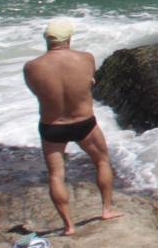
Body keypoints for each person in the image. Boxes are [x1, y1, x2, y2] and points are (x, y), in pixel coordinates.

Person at [22, 20, 122, 236]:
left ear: (46, 39)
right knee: (102, 161)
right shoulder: (86, 58)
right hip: (84, 123)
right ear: (69, 39)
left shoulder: (32, 67)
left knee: (56, 175)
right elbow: (89, 82)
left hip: (52, 127)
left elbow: (35, 90)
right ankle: (107, 209)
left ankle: (69, 226)